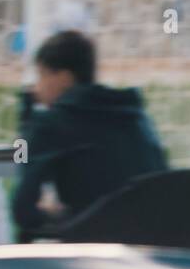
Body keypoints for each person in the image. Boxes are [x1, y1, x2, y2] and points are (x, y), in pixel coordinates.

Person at [12, 30, 169, 236]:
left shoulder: (54, 123)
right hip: (157, 240)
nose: (37, 86)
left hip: (95, 249)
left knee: (28, 234)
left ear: (64, 78)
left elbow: (22, 210)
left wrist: (27, 123)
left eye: (42, 75)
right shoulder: (137, 117)